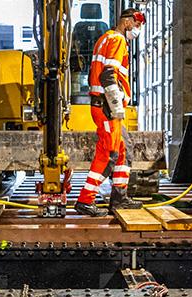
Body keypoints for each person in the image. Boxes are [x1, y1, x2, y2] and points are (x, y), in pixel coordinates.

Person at [75, 8, 147, 217]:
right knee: (109, 154)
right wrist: (115, 106)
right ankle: (85, 200)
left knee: (124, 149)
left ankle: (119, 197)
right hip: (107, 106)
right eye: (137, 24)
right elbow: (108, 75)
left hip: (103, 105)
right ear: (127, 22)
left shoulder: (103, 39)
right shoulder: (118, 40)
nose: (138, 29)